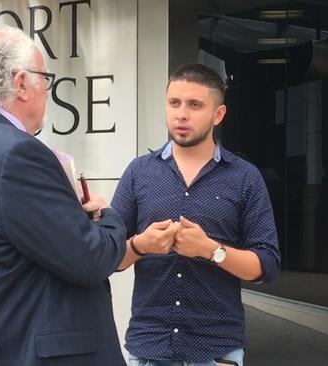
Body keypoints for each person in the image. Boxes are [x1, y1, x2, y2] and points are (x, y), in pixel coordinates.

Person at [0, 27, 127, 366]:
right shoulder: (17, 153)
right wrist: (109, 217)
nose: (47, 90)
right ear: (19, 83)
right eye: (44, 78)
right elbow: (90, 259)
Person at [111, 64, 281, 366]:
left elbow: (266, 266)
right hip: (149, 348)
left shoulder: (245, 177)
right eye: (174, 103)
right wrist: (140, 245)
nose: (181, 114)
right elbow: (106, 256)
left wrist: (209, 250)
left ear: (218, 114)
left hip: (215, 351)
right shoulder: (139, 173)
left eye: (195, 105)